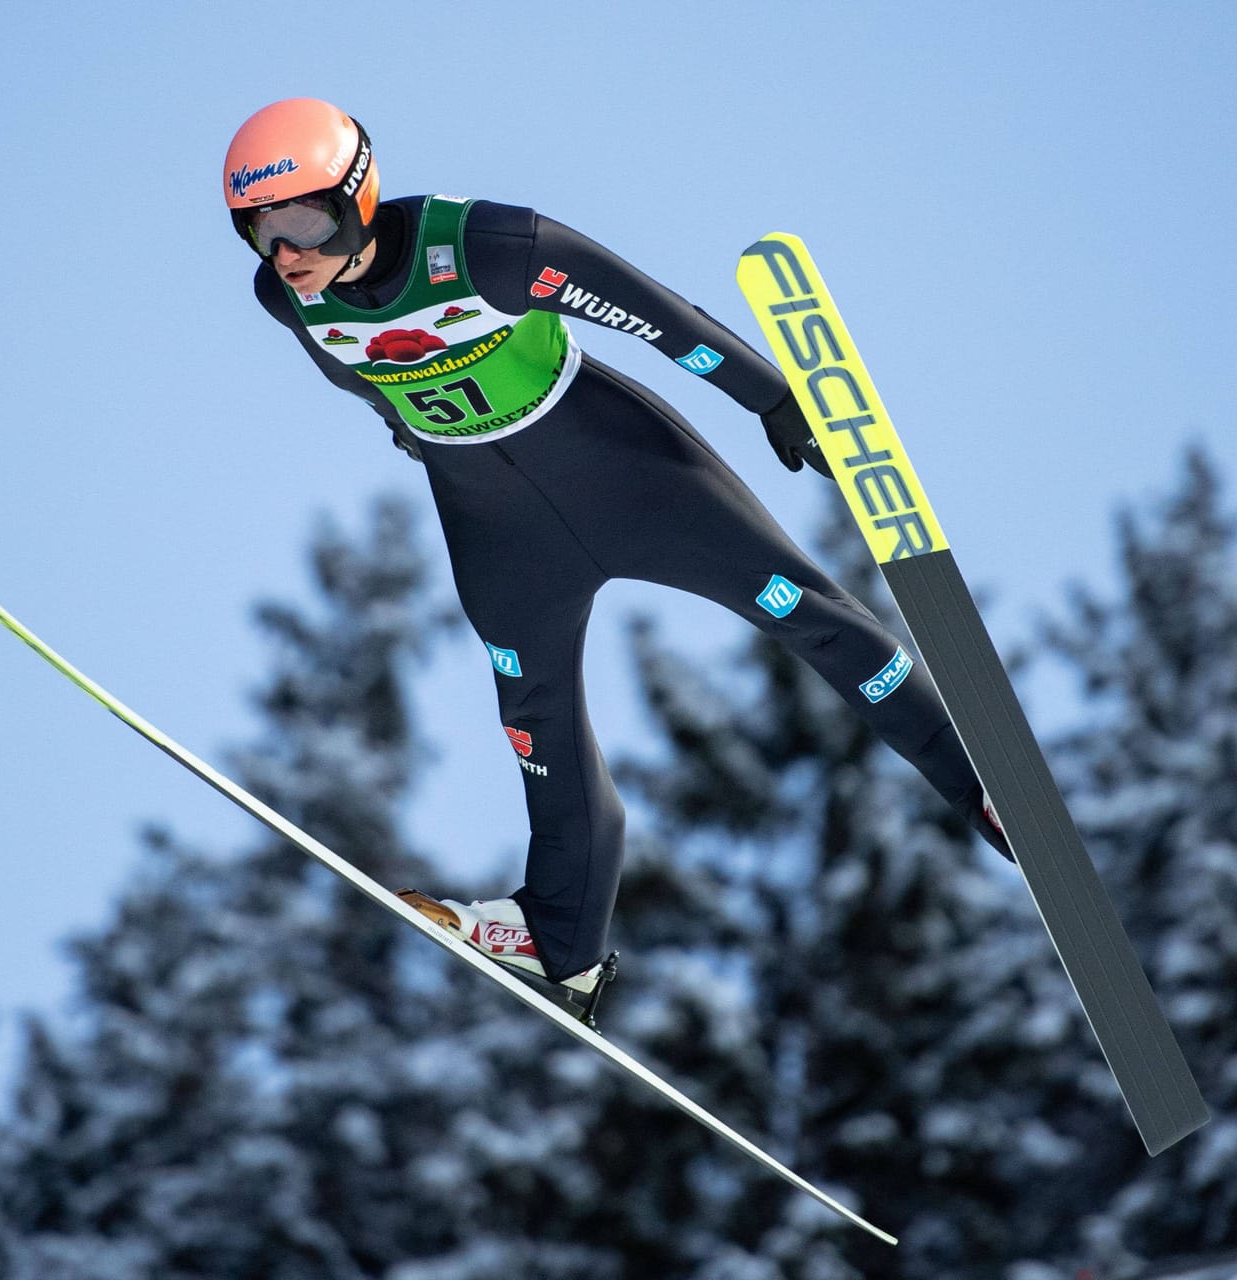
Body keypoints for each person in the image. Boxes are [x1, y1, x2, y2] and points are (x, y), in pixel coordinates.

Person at [224, 97, 1009, 999]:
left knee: (805, 612)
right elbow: (366, 377)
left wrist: (776, 401)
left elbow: (661, 318)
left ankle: (983, 785)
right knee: (535, 720)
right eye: (258, 232)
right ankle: (562, 938)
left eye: (301, 220)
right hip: (496, 526)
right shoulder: (286, 300)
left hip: (628, 474)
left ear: (358, 196)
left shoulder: (491, 249)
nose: (286, 252)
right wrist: (412, 430)